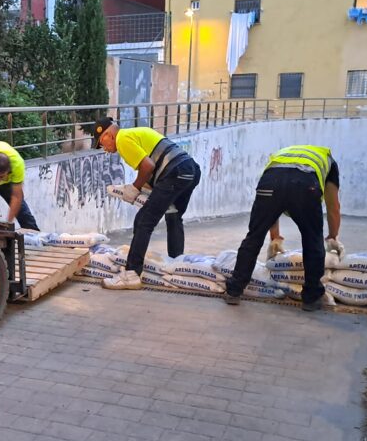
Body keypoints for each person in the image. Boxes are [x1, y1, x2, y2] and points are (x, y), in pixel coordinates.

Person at [223, 145, 344, 312]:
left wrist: (276, 237)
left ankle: (234, 290)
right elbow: (333, 207)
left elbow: (273, 203)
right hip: (305, 186)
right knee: (312, 239)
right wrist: (332, 235)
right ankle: (311, 297)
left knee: (254, 236)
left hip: (270, 182)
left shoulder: (280, 156)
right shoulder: (328, 160)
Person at [93, 117, 201, 290]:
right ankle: (177, 265)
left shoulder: (122, 139)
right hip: (190, 171)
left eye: (101, 143)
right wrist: (143, 188)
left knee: (143, 221)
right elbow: (154, 167)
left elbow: (147, 166)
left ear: (108, 134)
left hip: (174, 173)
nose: (104, 149)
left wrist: (133, 189)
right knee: (173, 216)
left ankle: (131, 274)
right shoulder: (134, 134)